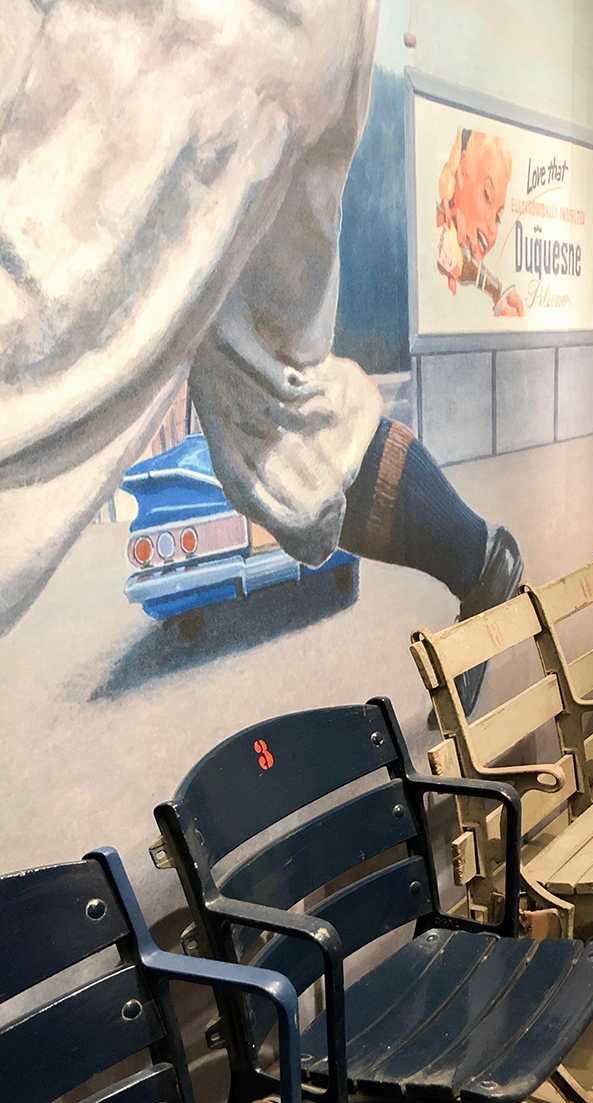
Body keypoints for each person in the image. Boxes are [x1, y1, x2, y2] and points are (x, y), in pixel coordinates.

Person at [0, 0, 521, 710]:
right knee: (276, 389)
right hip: (304, 34)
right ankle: (477, 561)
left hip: (193, 29)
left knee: (33, 357)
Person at [436, 129, 525, 317]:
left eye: (498, 217)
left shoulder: (466, 268)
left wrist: (508, 313)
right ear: (460, 173)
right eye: (487, 196)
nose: (492, 227)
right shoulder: (437, 229)